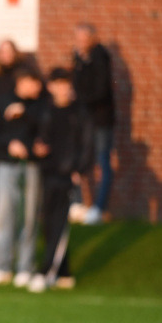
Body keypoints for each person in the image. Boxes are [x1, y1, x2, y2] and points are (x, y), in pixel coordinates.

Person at [28, 68, 93, 293]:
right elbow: (37, 137)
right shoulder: (44, 109)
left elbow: (87, 143)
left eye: (65, 84)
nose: (62, 88)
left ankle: (45, 272)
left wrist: (80, 169)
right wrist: (36, 148)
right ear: (51, 86)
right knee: (49, 223)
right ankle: (64, 273)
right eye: (57, 84)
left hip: (68, 175)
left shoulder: (79, 111)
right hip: (47, 172)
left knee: (60, 224)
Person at [0, 66, 46, 288]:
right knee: (3, 214)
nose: (37, 87)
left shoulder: (40, 104)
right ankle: (1, 267)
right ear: (22, 80)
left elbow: (44, 131)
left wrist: (25, 115)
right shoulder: (1, 102)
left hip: (31, 166)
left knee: (29, 217)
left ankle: (25, 267)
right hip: (5, 165)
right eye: (33, 82)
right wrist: (10, 144)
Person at [71, 23, 115, 225]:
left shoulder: (100, 57)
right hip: (83, 119)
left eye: (83, 38)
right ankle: (79, 204)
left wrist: (80, 99)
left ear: (92, 38)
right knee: (80, 160)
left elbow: (101, 90)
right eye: (77, 38)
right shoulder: (79, 57)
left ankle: (99, 208)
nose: (80, 42)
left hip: (100, 120)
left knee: (102, 162)